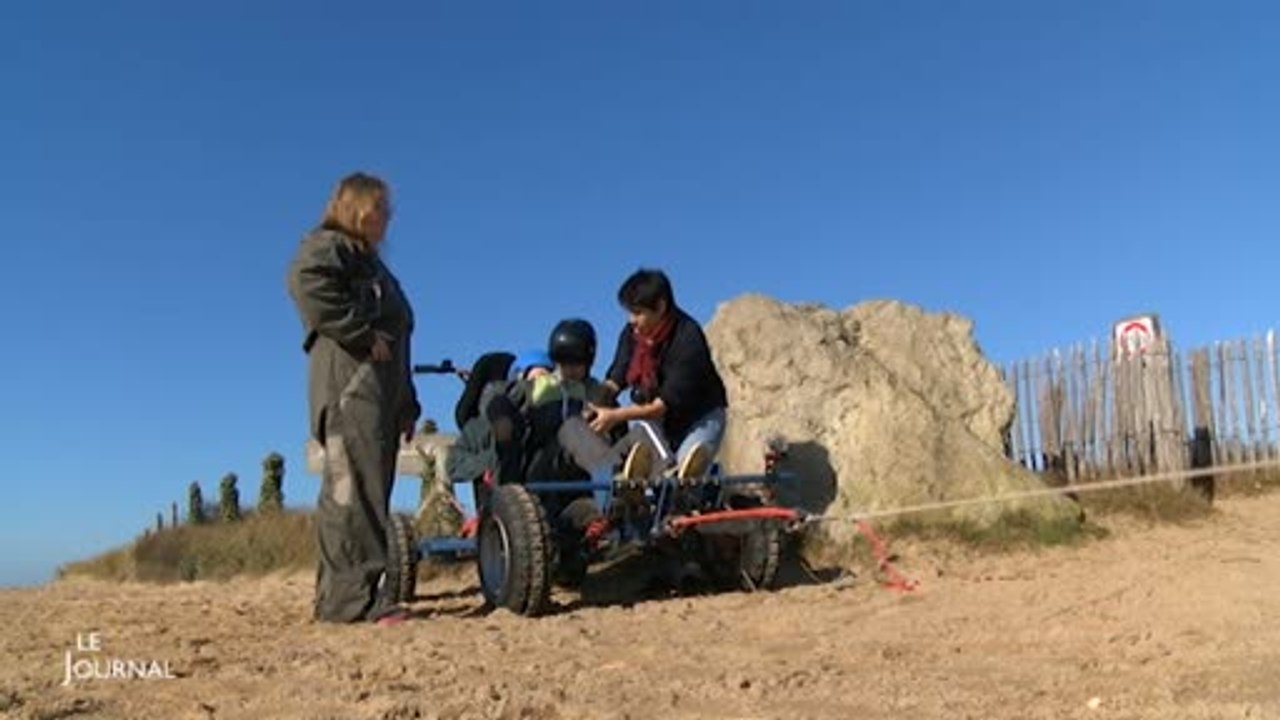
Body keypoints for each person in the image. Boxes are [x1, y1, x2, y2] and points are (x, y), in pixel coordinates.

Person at [285, 172, 420, 626]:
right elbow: (305, 280)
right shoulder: (331, 245)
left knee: (368, 492)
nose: (388, 217)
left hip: (379, 395)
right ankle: (349, 602)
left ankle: (350, 597)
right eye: (380, 207)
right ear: (357, 208)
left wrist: (406, 404)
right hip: (350, 388)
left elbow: (397, 343)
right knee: (350, 492)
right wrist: (360, 333)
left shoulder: (372, 265)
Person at [589, 268, 729, 482]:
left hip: (699, 418)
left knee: (686, 476)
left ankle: (702, 487)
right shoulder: (632, 335)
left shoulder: (688, 338)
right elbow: (615, 379)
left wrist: (615, 416)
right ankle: (638, 491)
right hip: (658, 421)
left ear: (661, 307)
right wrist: (593, 406)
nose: (631, 320)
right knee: (627, 461)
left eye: (637, 312)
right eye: (629, 312)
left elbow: (661, 406)